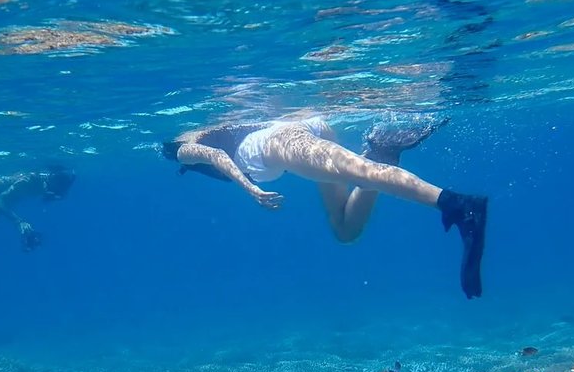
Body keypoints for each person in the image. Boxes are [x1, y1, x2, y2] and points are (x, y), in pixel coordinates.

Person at [164, 114, 488, 299]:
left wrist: (249, 188)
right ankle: (383, 153)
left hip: (275, 144)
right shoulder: (209, 132)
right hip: (304, 127)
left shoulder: (181, 150)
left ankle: (456, 205)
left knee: (356, 171)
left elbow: (216, 158)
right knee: (346, 229)